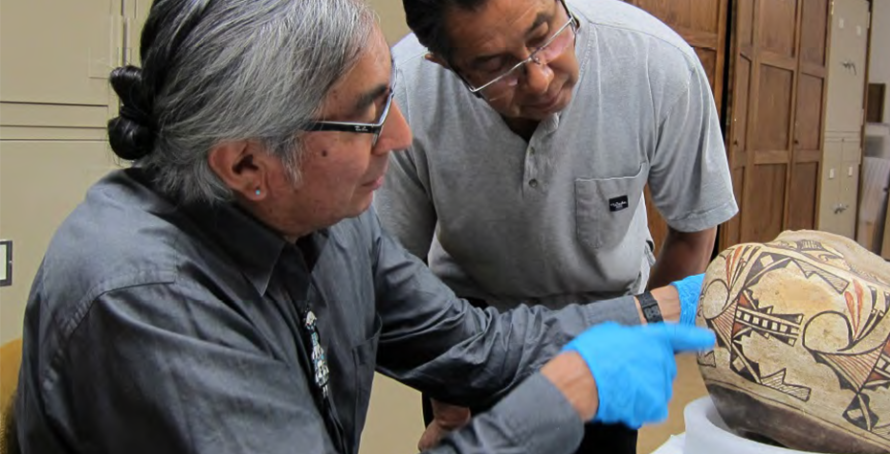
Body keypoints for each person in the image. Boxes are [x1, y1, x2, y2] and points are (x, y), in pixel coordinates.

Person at [13, 1, 716, 453]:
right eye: (372, 115)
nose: (403, 137)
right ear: (246, 162)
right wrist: (564, 394)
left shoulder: (326, 220)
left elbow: (476, 344)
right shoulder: (144, 301)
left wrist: (652, 309)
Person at [377, 0, 738, 451]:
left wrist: (646, 348)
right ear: (445, 64)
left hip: (609, 335)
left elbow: (691, 228)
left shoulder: (657, 63)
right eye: (494, 67)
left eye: (544, 35)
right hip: (474, 341)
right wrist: (451, 406)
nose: (540, 78)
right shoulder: (406, 90)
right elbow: (396, 273)